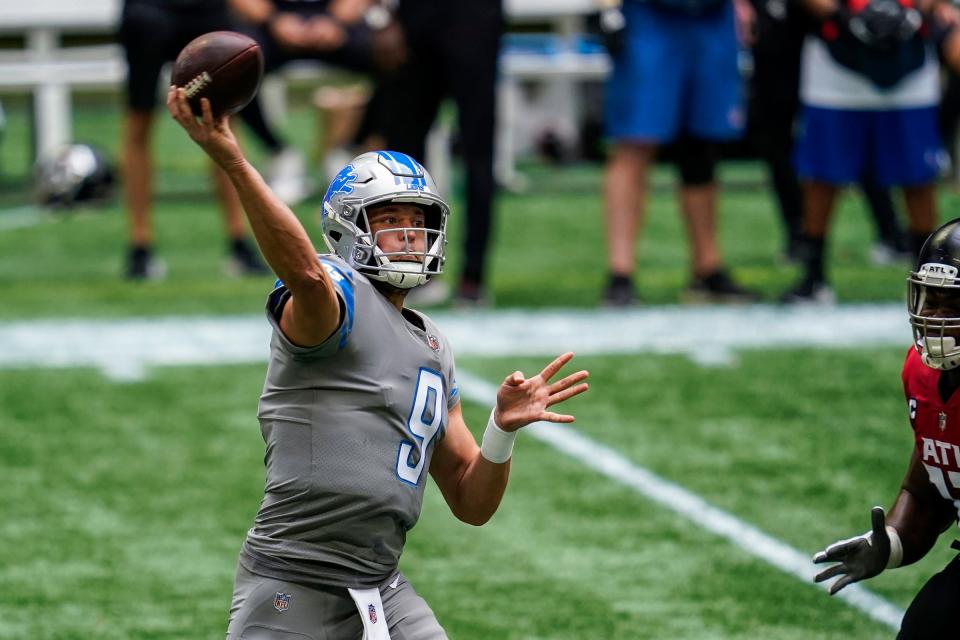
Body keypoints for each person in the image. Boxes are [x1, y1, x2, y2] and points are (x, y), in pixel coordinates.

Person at [166, 87, 590, 638]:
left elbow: (471, 501)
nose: (411, 233)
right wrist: (234, 160)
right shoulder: (332, 296)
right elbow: (306, 276)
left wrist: (501, 431)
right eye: (391, 219)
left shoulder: (434, 345)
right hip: (294, 576)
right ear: (349, 228)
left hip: (381, 583)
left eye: (418, 219)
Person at [812, 217, 960, 638]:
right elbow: (930, 492)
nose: (936, 316)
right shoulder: (922, 373)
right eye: (931, 299)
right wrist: (891, 543)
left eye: (953, 304)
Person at [779, 0, 960, 303]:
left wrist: (914, 11)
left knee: (917, 174)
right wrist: (839, 14)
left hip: (909, 53)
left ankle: (930, 280)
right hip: (837, 56)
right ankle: (813, 273)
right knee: (822, 173)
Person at [601, 0, 760, 306]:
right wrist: (607, 10)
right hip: (649, 17)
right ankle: (620, 273)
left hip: (711, 16)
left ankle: (707, 267)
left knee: (703, 142)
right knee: (635, 141)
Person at [357, 0, 503, 306]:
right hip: (415, 20)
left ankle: (473, 276)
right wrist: (380, 17)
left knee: (478, 153)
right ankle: (406, 268)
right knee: (402, 162)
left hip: (473, 17)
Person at [118, 0, 267, 279]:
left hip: (206, 9)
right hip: (148, 10)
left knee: (222, 122)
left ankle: (240, 241)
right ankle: (139, 245)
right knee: (139, 120)